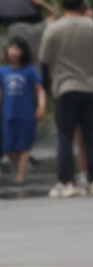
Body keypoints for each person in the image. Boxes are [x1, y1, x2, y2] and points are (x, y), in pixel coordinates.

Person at [38, 0, 93, 197]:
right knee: (91, 137)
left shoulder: (54, 29)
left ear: (62, 6)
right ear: (82, 5)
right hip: (91, 87)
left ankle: (67, 182)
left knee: (65, 136)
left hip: (64, 88)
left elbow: (45, 57)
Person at [1, 38, 44, 185]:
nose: (13, 51)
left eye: (17, 48)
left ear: (23, 52)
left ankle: (21, 176)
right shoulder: (3, 71)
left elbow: (40, 90)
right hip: (8, 114)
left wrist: (42, 106)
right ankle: (20, 169)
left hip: (26, 114)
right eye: (11, 48)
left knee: (24, 146)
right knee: (7, 147)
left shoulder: (30, 70)